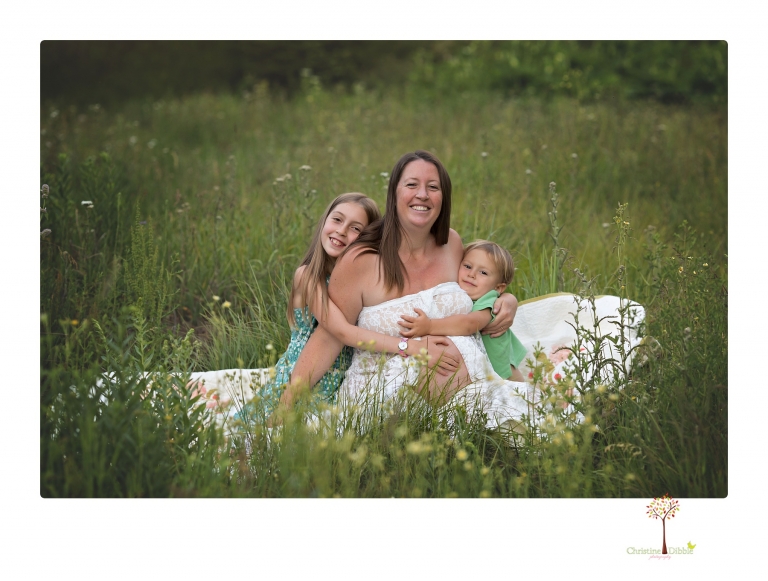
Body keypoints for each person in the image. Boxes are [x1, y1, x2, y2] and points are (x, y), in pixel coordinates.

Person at [287, 150, 529, 429]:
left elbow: (480, 284)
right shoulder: (360, 260)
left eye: (433, 187)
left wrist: (506, 299)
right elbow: (329, 336)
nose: (422, 195)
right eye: (412, 184)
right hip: (384, 406)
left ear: (444, 198)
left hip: (478, 387)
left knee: (537, 420)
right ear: (394, 193)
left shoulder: (451, 244)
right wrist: (287, 403)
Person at [243, 192, 380, 418]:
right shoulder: (307, 276)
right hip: (297, 376)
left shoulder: (363, 282)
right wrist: (406, 346)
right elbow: (340, 331)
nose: (341, 231)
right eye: (337, 219)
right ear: (325, 221)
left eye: (355, 228)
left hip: (339, 381)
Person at [398, 239, 527, 382]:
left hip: (501, 367)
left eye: (483, 272)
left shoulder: (490, 301)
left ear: (498, 288)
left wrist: (429, 326)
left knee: (520, 390)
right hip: (479, 367)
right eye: (467, 266)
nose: (472, 274)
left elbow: (469, 324)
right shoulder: (459, 292)